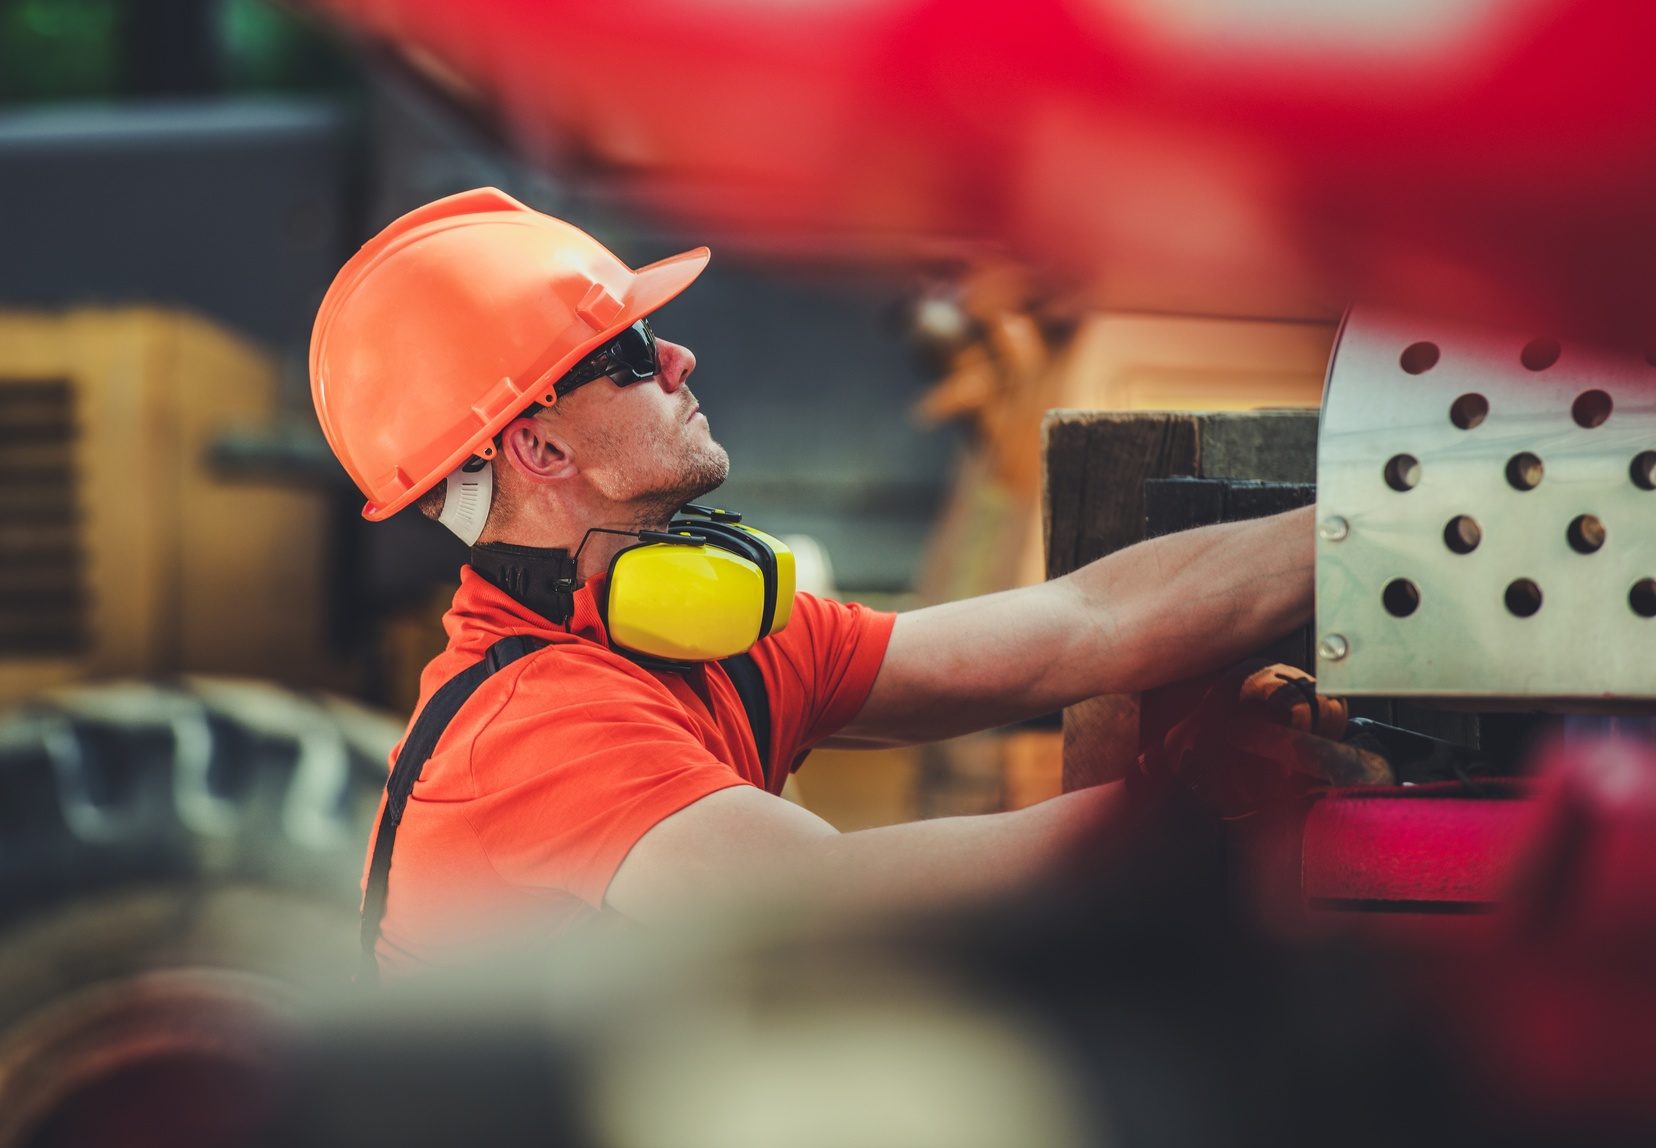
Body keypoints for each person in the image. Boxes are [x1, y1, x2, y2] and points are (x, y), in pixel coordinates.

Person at [310, 188, 1313, 975]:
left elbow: (1084, 621)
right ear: (536, 444)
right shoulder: (533, 723)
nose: (679, 357)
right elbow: (832, 887)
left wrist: (1359, 533)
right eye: (625, 350)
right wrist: (1191, 802)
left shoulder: (692, 626)